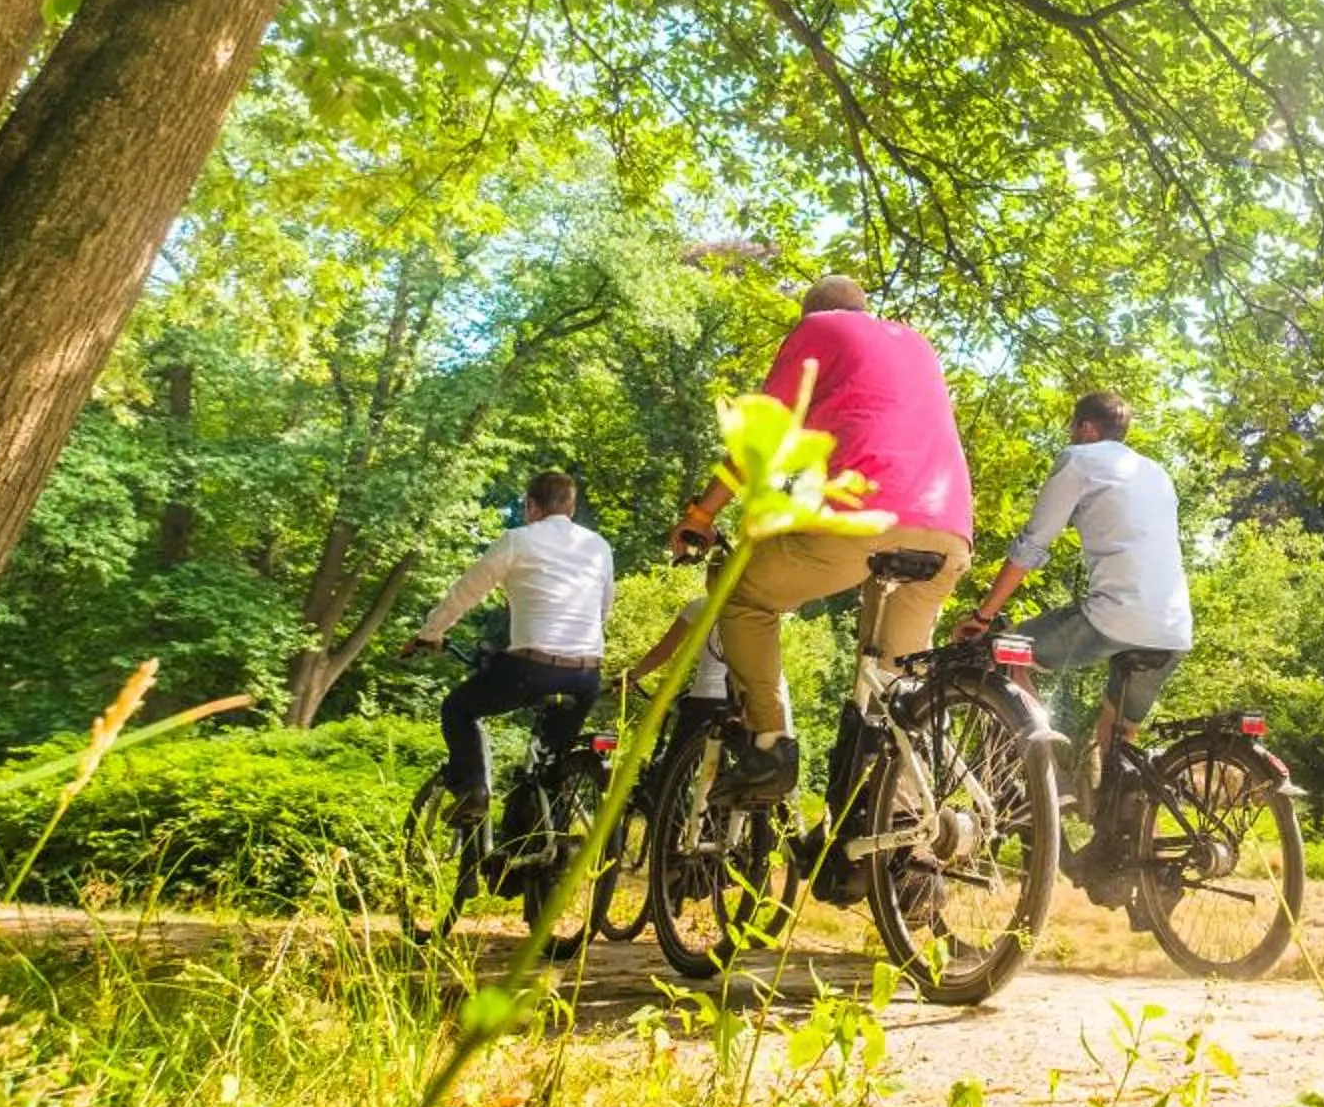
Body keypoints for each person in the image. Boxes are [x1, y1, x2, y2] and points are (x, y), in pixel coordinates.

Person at [668, 276, 973, 801]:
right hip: (948, 532)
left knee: (741, 594)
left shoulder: (817, 329)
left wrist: (701, 513)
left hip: (868, 520)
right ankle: (900, 839)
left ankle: (769, 743)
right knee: (895, 700)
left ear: (813, 313)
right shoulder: (916, 345)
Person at [955, 391, 1191, 822]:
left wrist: (983, 616)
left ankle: (1050, 773)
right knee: (1117, 736)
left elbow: (1031, 546)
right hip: (1172, 627)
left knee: (1003, 648)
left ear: (1086, 428)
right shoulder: (1156, 472)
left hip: (1114, 617)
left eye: (1072, 427)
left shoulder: (1079, 460)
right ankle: (1117, 844)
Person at [401, 470, 614, 822]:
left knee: (458, 709)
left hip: (531, 671)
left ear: (530, 505)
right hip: (586, 674)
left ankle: (474, 790)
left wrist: (430, 632)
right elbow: (603, 609)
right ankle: (549, 850)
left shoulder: (517, 540)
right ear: (571, 509)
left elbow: (464, 593)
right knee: (553, 765)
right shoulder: (599, 547)